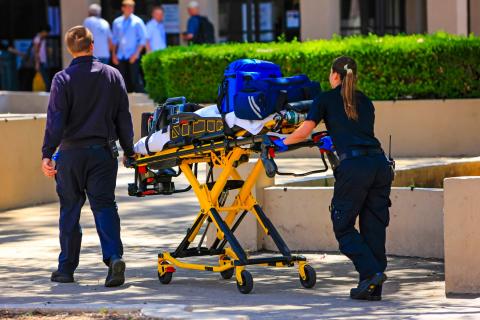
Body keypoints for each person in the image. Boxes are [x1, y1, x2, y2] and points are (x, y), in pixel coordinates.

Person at [275, 56, 393, 301]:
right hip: (379, 164)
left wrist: (280, 143)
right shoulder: (366, 101)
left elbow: (305, 130)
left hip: (355, 168)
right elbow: (356, 132)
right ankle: (372, 286)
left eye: (330, 74)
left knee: (343, 226)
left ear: (335, 76)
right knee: (374, 226)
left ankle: (371, 273)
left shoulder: (326, 99)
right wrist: (332, 140)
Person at [41, 26, 136, 287]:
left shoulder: (62, 79)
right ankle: (114, 258)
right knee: (104, 206)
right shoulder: (112, 75)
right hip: (103, 153)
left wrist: (47, 153)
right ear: (93, 46)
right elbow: (123, 118)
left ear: (69, 50)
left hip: (70, 154)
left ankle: (66, 269)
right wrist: (129, 151)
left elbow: (55, 120)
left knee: (70, 208)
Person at [111, 0, 147, 92]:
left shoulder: (138, 21)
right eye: (128, 7)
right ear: (123, 8)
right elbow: (114, 39)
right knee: (122, 80)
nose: (130, 9)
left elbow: (143, 39)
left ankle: (137, 101)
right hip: (120, 55)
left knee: (134, 80)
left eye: (132, 7)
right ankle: (123, 101)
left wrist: (136, 54)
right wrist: (113, 54)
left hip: (132, 55)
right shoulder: (117, 22)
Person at [33, 25, 51, 91]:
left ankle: (47, 91)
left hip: (44, 61)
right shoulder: (37, 39)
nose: (47, 34)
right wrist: (37, 63)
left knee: (47, 79)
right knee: (46, 80)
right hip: (40, 62)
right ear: (43, 31)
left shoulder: (44, 39)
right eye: (46, 32)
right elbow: (36, 52)